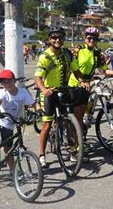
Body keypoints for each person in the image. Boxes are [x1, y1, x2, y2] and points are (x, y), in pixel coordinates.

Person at [34, 28, 88, 167]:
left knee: (69, 121)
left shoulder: (67, 54)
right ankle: (41, 155)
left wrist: (82, 81)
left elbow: (76, 71)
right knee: (46, 125)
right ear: (49, 39)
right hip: (49, 93)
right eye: (54, 37)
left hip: (64, 92)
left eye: (60, 37)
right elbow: (38, 77)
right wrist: (44, 89)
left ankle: (73, 151)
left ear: (64, 39)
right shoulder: (45, 56)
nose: (57, 40)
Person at [69, 27, 113, 153]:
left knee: (84, 114)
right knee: (78, 117)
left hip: (86, 86)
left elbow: (104, 69)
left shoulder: (97, 53)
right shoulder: (78, 50)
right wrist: (81, 80)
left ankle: (79, 140)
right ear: (85, 38)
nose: (91, 40)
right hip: (75, 85)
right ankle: (75, 147)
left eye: (94, 38)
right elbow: (72, 67)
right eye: (89, 38)